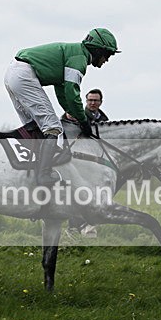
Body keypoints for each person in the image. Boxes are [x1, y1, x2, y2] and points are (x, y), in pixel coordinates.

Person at [5, 28, 120, 186]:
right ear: (98, 50)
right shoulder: (79, 59)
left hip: (14, 74)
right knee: (53, 127)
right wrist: (83, 119)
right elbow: (72, 93)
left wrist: (74, 114)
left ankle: (34, 166)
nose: (106, 60)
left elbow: (62, 93)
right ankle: (43, 175)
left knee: (35, 127)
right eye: (107, 55)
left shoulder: (74, 53)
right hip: (24, 75)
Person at [64, 88, 109, 237]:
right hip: (76, 161)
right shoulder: (75, 116)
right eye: (90, 100)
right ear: (86, 101)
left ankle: (88, 225)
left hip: (95, 163)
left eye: (96, 100)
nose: (93, 103)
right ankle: (74, 227)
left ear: (101, 102)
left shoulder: (105, 121)